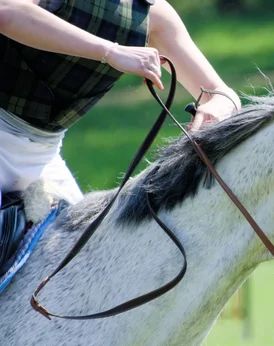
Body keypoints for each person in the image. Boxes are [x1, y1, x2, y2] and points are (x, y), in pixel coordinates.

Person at [0, 0, 241, 205]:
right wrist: (111, 51)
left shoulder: (152, 13)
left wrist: (217, 108)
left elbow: (222, 93)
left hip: (42, 155)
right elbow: (7, 10)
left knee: (86, 255)